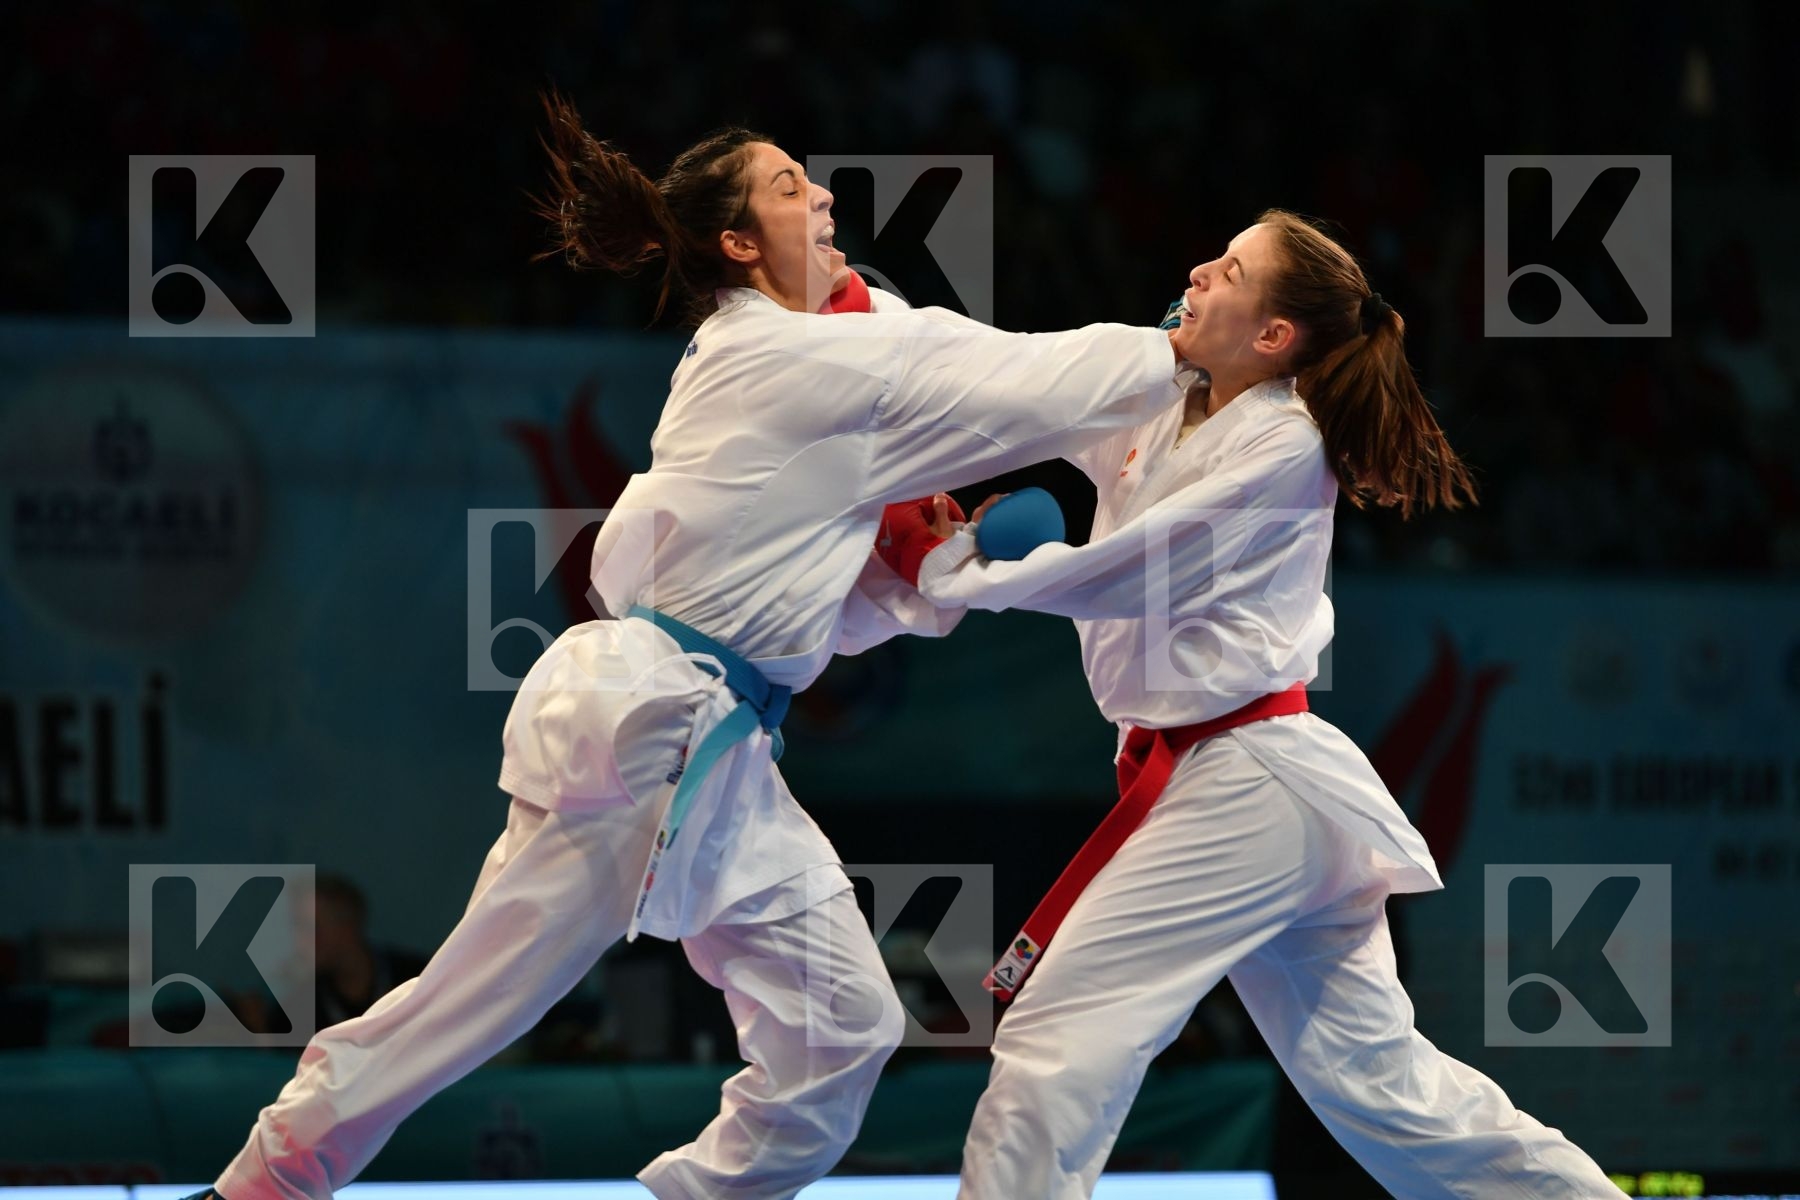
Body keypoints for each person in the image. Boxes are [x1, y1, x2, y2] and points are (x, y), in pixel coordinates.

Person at [185, 93, 1188, 1200]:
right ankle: (257, 1189)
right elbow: (1026, 381)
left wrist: (929, 563)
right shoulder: (794, 362)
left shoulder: (804, 372)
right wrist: (1188, 349)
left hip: (727, 747)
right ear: (738, 242)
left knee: (841, 1025)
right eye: (789, 185)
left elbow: (822, 601)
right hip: (648, 733)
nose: (824, 193)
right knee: (465, 1011)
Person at [889, 211, 1626, 1198]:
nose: (1196, 268)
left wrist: (957, 565)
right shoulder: (1168, 401)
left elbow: (1130, 571)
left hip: (1247, 780)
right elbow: (1023, 389)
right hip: (1247, 782)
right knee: (1386, 1090)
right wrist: (875, 328)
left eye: (1228, 268)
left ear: (1274, 335)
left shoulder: (1286, 443)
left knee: (1059, 1037)